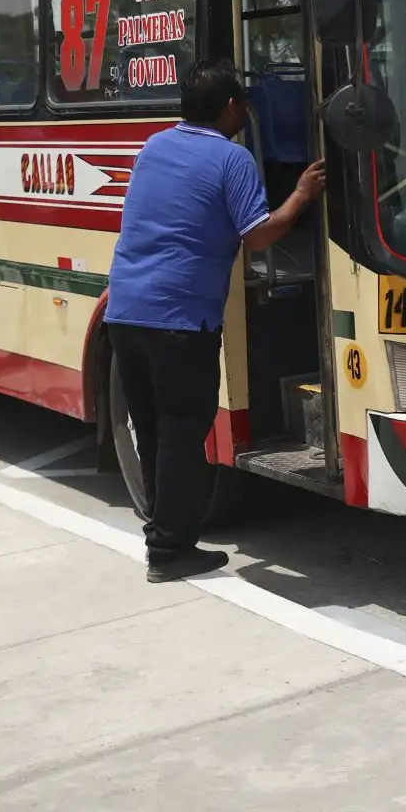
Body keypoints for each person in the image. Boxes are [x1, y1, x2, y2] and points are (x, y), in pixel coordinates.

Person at [106, 62, 326, 582]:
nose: (247, 111)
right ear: (230, 107)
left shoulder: (154, 146)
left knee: (153, 432)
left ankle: (162, 538)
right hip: (179, 319)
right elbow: (259, 235)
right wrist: (302, 193)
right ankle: (169, 552)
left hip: (125, 312)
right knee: (182, 435)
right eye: (243, 102)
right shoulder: (233, 158)